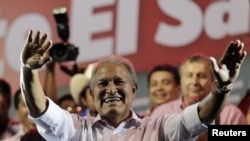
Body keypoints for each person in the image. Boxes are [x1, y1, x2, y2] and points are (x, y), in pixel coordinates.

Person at [19, 30, 247, 141]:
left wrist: (222, 87)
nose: (111, 89)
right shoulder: (75, 129)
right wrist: (28, 70)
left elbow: (200, 118)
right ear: (91, 93)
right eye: (102, 83)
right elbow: (41, 109)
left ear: (134, 90)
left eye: (119, 82)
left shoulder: (158, 128)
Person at [151, 53, 247, 140]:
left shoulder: (231, 114)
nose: (195, 82)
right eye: (189, 75)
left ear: (213, 80)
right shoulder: (161, 112)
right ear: (181, 81)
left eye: (201, 76)